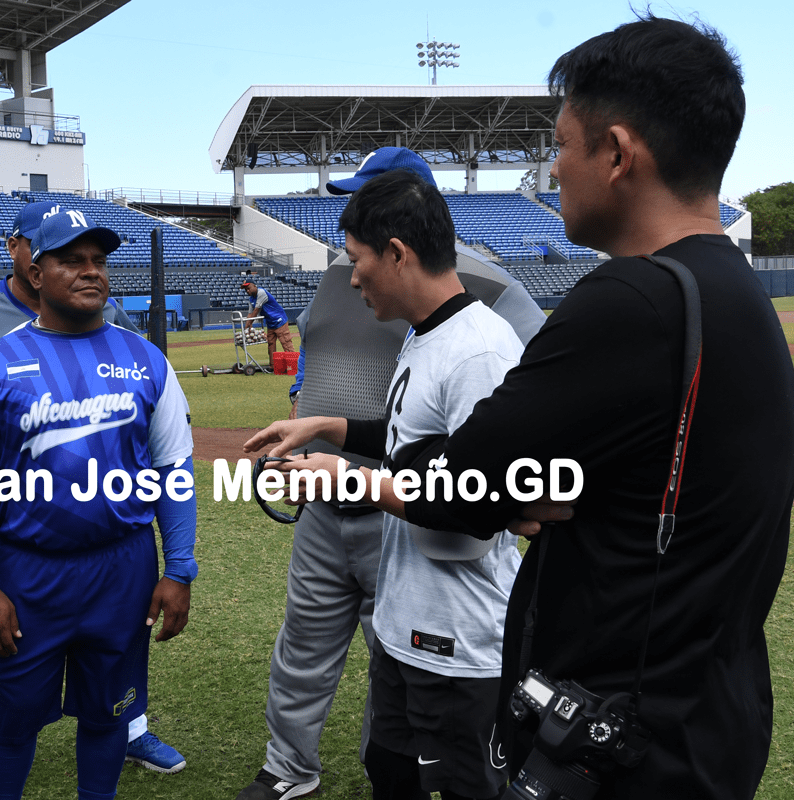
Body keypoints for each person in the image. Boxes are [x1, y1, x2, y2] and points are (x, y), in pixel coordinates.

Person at [326, 17, 794, 799]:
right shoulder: (736, 291)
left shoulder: (632, 299)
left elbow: (459, 488)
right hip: (711, 721)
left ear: (617, 153)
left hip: (616, 743)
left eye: (562, 144)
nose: (552, 168)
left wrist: (487, 483)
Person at [235, 149, 545, 800]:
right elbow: (413, 441)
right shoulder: (424, 331)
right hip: (408, 623)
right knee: (392, 770)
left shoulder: (480, 347)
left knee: (466, 783)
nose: (351, 276)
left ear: (398, 251)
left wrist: (346, 478)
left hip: (459, 636)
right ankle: (291, 766)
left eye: (360, 258)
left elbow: (473, 498)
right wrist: (326, 428)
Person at [0, 203, 183, 800]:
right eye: (70, 260)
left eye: (98, 260)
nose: (90, 271)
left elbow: (173, 470)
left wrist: (179, 569)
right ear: (35, 273)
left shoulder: (146, 359)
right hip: (28, 572)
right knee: (12, 722)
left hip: (123, 567)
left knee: (109, 715)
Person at [241, 279, 295, 363]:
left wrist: (250, 323)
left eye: (249, 288)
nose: (247, 291)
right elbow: (250, 314)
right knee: (271, 345)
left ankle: (294, 365)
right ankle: (273, 366)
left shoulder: (261, 293)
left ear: (254, 286)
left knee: (286, 343)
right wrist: (246, 328)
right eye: (246, 289)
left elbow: (256, 310)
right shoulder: (251, 299)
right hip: (270, 323)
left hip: (279, 320)